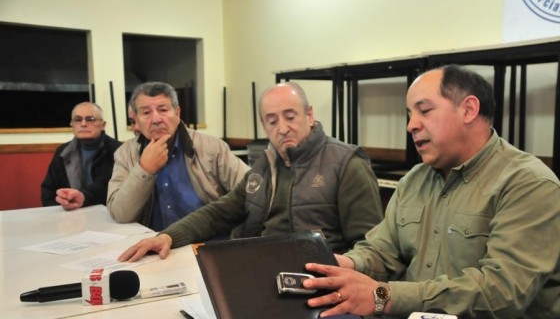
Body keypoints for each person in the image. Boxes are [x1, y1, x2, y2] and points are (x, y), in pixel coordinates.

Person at [302, 65, 560, 318]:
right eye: (410, 114)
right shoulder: (415, 180)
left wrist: (383, 296)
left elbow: (502, 292)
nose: (411, 125)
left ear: (468, 110)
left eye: (424, 111)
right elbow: (383, 251)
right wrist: (340, 265)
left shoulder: (528, 184)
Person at [118, 81, 384, 262]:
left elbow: (372, 248)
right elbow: (222, 211)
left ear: (309, 115)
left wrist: (336, 270)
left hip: (322, 281)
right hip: (262, 271)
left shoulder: (347, 163)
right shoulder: (265, 166)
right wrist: (167, 236)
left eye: (290, 116)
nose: (282, 128)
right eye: (272, 121)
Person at [107, 81, 250, 231]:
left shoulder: (212, 147)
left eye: (163, 110)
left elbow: (252, 190)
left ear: (177, 112)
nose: (156, 119)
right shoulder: (125, 154)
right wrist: (144, 170)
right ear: (136, 120)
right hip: (153, 244)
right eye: (146, 112)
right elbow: (120, 214)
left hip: (209, 241)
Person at [41, 102, 122, 211]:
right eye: (78, 120)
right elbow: (49, 191)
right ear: (72, 124)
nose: (83, 124)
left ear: (103, 125)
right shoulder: (63, 152)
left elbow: (109, 188)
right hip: (70, 216)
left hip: (108, 214)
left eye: (90, 119)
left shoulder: (119, 151)